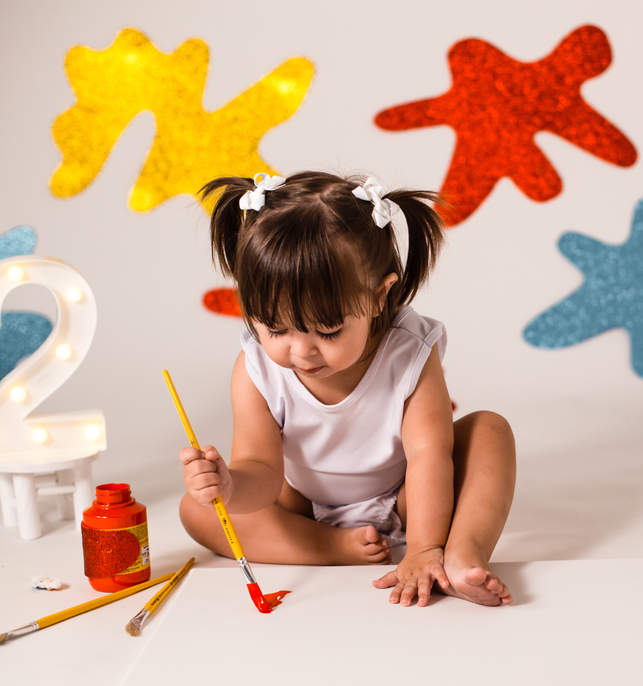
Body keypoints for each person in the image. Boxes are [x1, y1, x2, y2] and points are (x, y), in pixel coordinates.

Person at [179, 171, 515, 607]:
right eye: (276, 328)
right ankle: (330, 548)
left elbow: (429, 456)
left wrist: (422, 547)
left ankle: (459, 551)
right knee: (197, 512)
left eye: (329, 330)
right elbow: (261, 469)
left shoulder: (409, 352)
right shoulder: (255, 370)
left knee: (489, 431)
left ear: (379, 297)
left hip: (405, 498)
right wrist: (228, 485)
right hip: (300, 507)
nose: (301, 352)